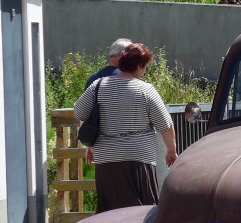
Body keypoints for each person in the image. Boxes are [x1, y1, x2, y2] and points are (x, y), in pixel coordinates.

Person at [73, 43, 178, 212]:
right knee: (141, 211)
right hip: (138, 158)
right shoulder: (146, 90)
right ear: (138, 66)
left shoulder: (98, 86)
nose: (144, 71)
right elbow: (165, 125)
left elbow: (79, 112)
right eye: (144, 67)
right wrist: (171, 151)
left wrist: (89, 145)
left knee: (109, 211)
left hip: (106, 158)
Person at [83, 38, 133, 164]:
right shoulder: (128, 79)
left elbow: (84, 113)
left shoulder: (94, 79)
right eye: (132, 55)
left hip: (101, 146)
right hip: (127, 146)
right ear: (122, 55)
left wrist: (89, 144)